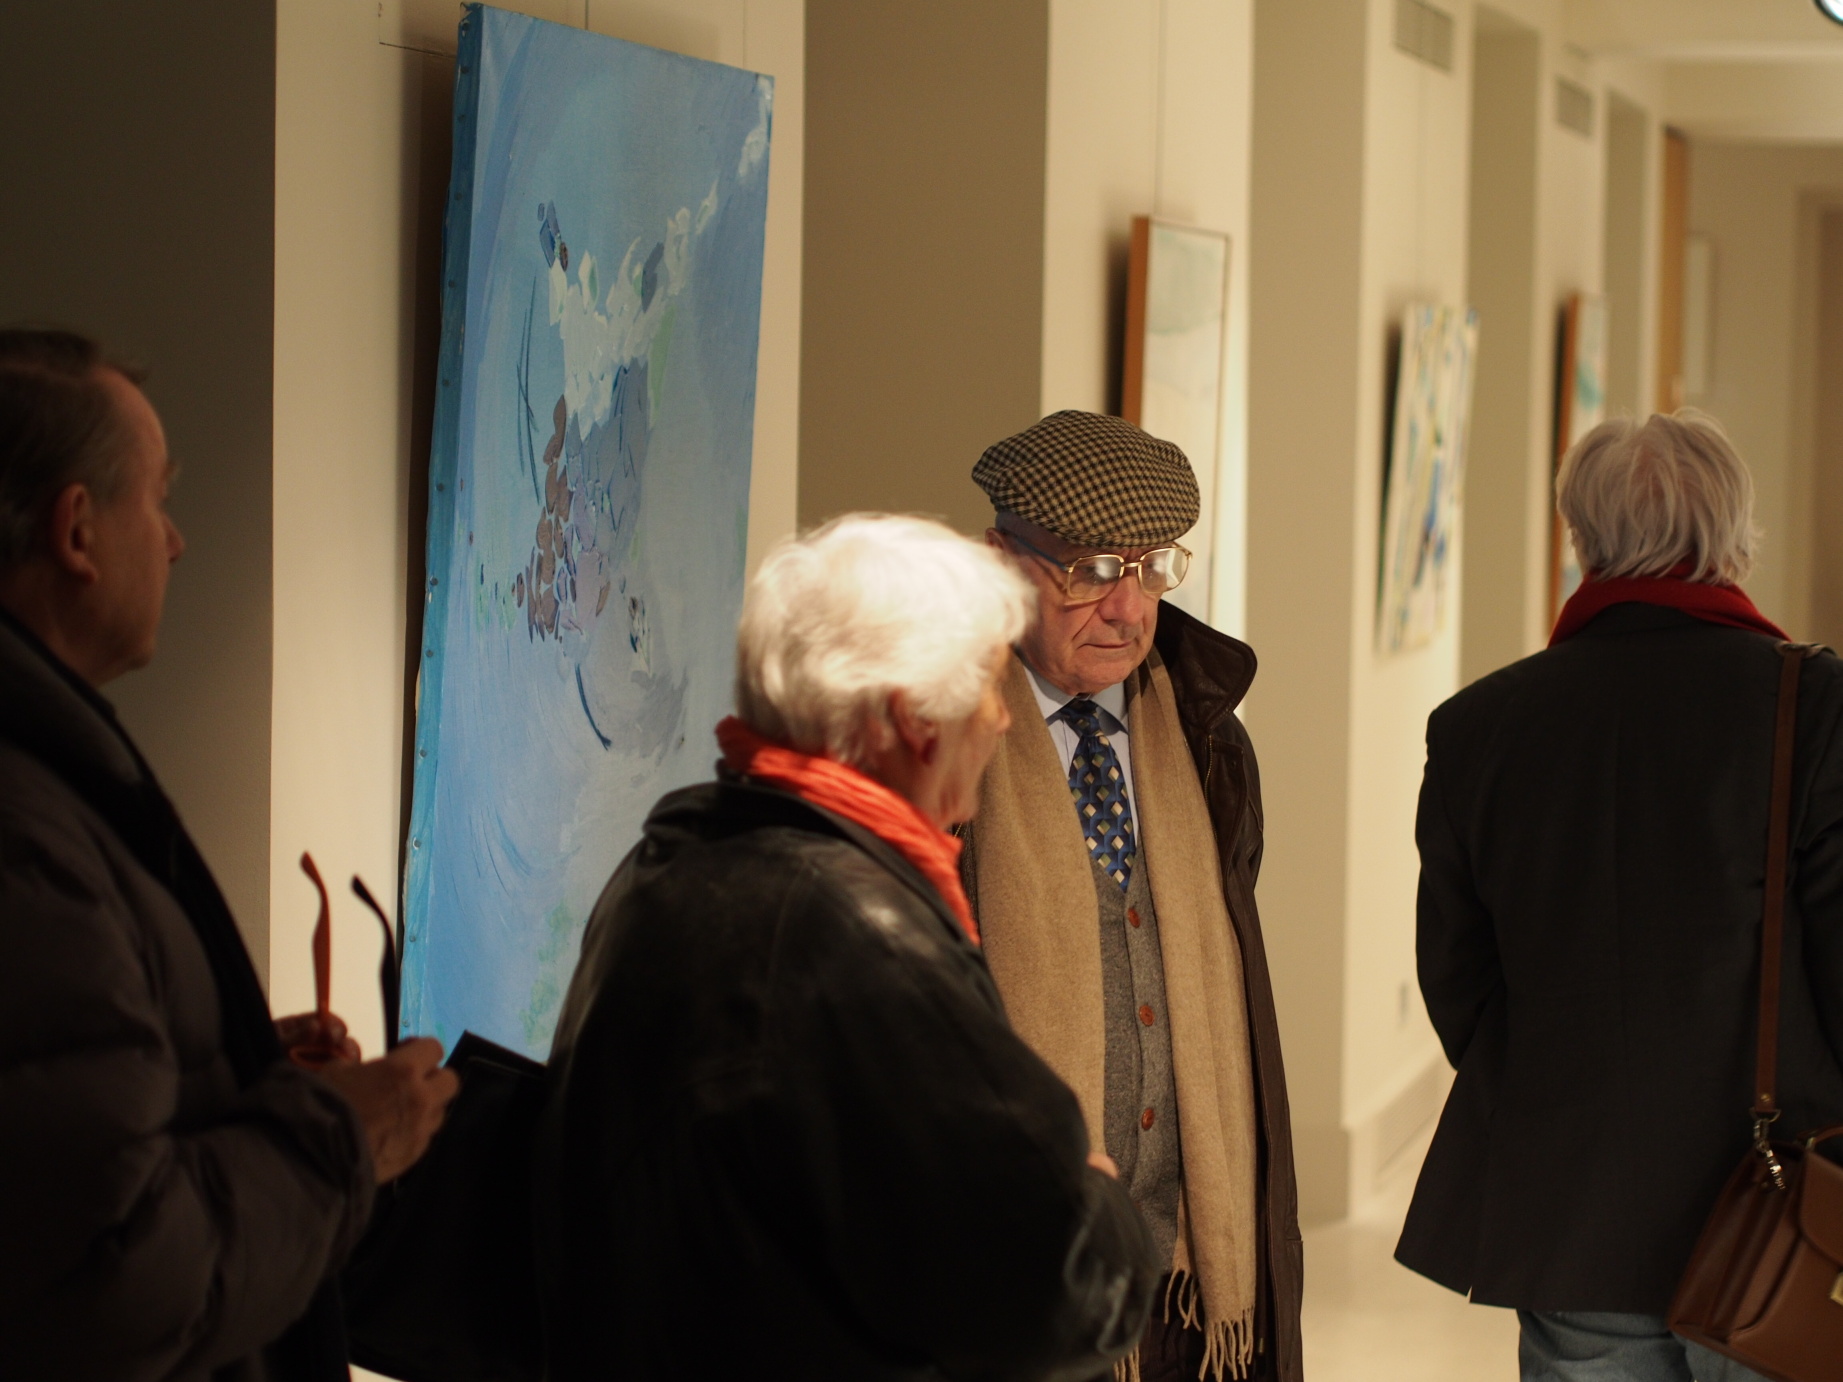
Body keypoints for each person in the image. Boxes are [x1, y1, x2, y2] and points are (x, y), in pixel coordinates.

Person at [536, 514, 1160, 1381]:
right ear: (912, 718)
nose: (1000, 721)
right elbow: (1059, 1289)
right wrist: (1095, 1197)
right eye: (989, 687)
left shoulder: (673, 860)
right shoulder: (858, 939)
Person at [0, 329, 460, 1381]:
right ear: (77, 531)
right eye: (157, 499)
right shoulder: (28, 835)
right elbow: (113, 1279)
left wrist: (232, 1075)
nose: (175, 542)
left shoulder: (56, 784)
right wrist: (343, 1138)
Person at [1395, 410, 1843, 1382]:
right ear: (1733, 536)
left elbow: (1457, 977)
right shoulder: (1809, 704)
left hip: (1570, 1203)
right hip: (1781, 1202)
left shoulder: (1479, 724)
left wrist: (1561, 1088)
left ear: (1581, 537)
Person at [961, 411, 1302, 1382]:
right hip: (1021, 1272)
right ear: (1000, 560)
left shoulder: (1204, 735)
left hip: (1191, 1278)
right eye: (1091, 570)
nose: (1127, 609)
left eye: (1151, 569)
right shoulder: (942, 742)